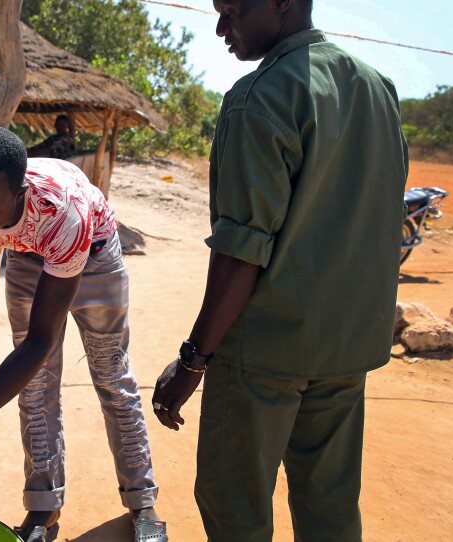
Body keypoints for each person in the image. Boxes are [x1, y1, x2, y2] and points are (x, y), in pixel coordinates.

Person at [151, 1, 408, 541]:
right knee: (331, 509)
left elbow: (241, 251)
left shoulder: (259, 97)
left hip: (264, 356)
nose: (222, 26)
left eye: (233, 10)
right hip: (346, 348)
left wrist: (193, 361)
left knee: (234, 508)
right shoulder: (376, 88)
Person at [0, 127, 168, 542]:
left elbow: (42, 340)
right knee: (35, 386)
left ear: (19, 195)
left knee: (112, 375)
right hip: (29, 253)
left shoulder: (62, 210)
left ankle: (142, 501)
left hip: (92, 252)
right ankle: (43, 507)